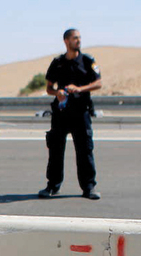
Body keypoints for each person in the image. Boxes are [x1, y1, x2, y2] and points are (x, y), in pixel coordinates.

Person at [38, 28, 102, 200]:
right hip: (61, 113)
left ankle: (89, 187)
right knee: (56, 151)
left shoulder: (88, 60)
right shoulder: (57, 63)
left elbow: (98, 83)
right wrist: (56, 92)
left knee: (85, 151)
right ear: (66, 41)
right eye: (75, 38)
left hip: (81, 113)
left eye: (80, 38)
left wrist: (80, 89)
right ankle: (52, 186)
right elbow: (49, 88)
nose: (78, 41)